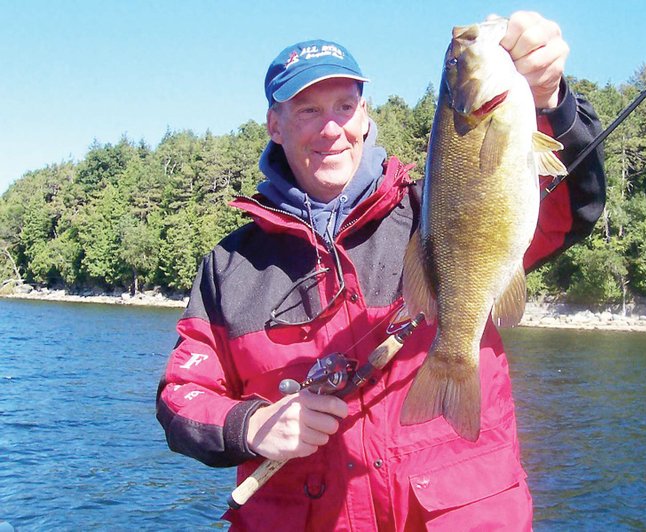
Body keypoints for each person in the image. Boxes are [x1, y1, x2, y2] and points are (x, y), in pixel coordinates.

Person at [157, 11, 605, 531]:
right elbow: (180, 397)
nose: (331, 128)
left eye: (345, 106)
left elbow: (567, 211)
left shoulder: (430, 209)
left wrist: (552, 102)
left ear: (365, 115)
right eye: (307, 110)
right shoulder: (230, 266)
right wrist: (250, 425)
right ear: (274, 125)